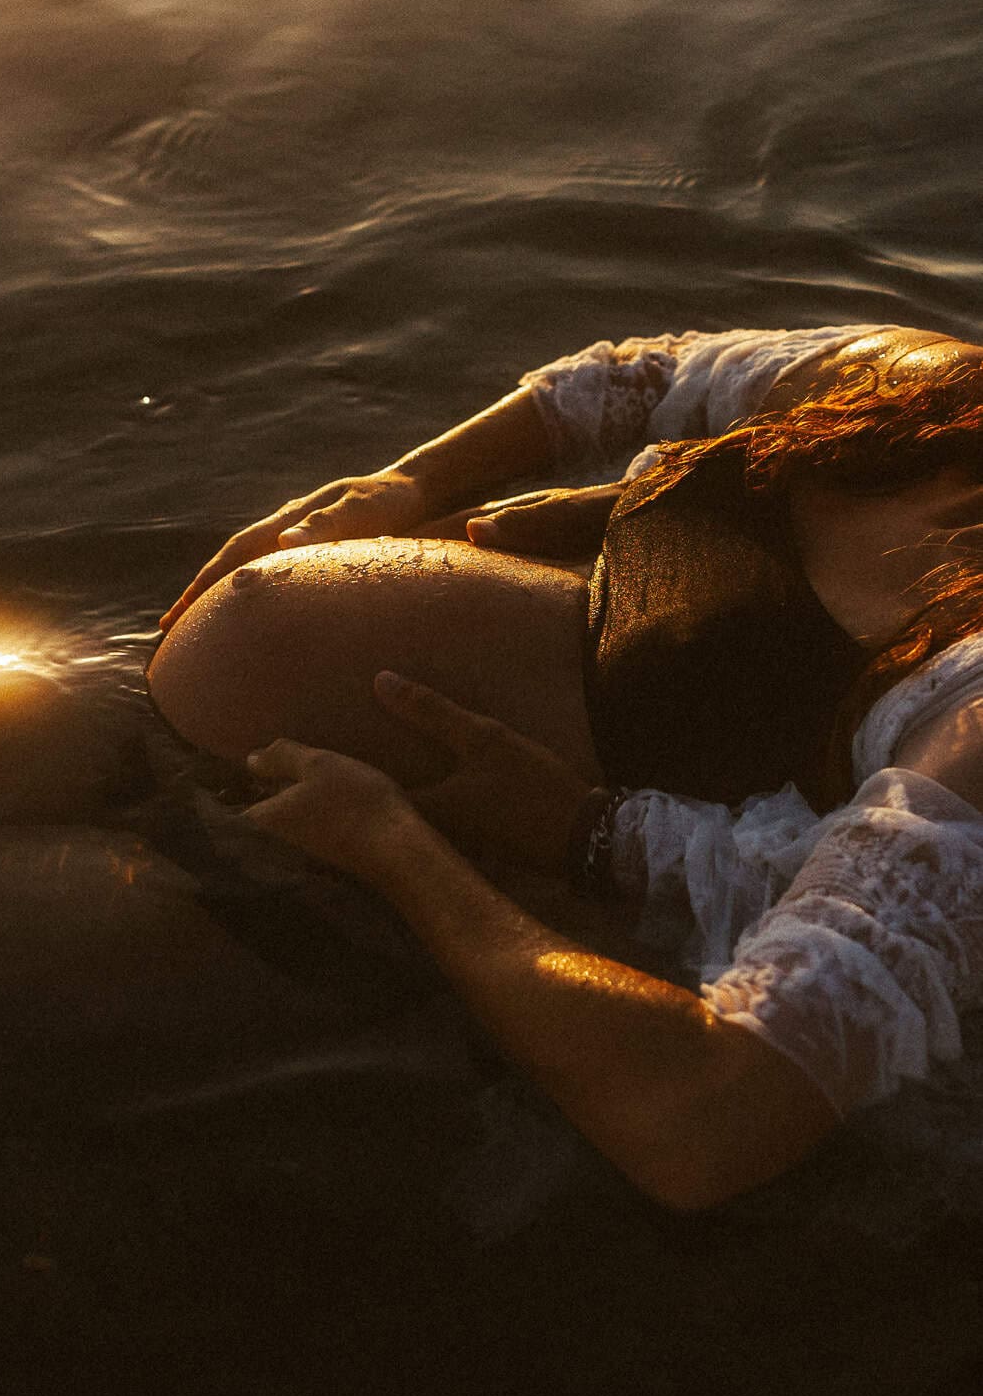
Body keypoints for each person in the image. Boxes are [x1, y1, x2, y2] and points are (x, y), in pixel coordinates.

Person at [147, 324, 983, 1210]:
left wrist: (413, 848)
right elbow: (632, 375)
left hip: (443, 887)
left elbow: (712, 1117)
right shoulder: (935, 400)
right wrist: (405, 484)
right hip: (284, 804)